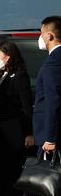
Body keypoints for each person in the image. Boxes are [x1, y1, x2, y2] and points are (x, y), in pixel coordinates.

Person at [0, 41, 33, 196]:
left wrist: (29, 133)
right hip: (3, 135)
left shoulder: (20, 76)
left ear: (8, 56)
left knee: (19, 181)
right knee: (9, 183)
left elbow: (26, 107)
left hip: (16, 135)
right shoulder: (3, 75)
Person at [33, 16, 61, 154]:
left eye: (41, 33)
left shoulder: (53, 61)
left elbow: (53, 99)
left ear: (49, 36)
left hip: (51, 137)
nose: (40, 37)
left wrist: (50, 138)